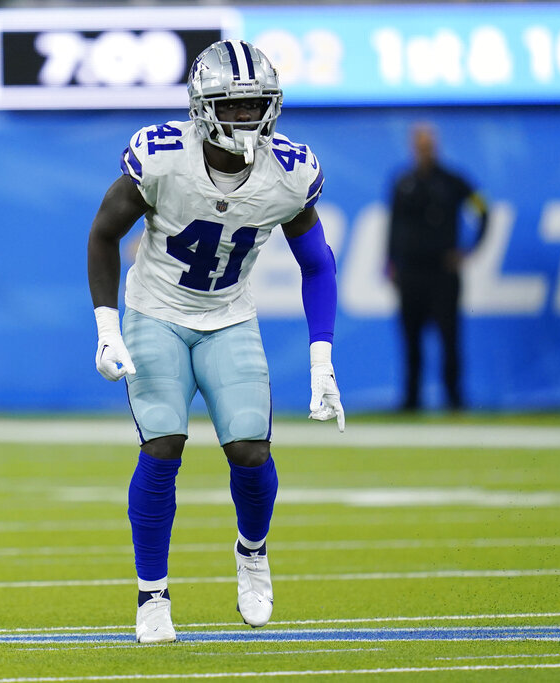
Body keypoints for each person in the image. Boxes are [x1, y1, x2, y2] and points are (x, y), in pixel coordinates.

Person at [87, 39, 345, 644]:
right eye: (231, 106)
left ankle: (252, 550)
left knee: (251, 451)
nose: (244, 118)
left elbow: (318, 264)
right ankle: (153, 595)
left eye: (256, 104)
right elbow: (102, 236)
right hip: (156, 311)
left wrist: (321, 356)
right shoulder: (162, 156)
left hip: (229, 315)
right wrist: (105, 326)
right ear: (203, 108)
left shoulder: (287, 170)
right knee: (163, 445)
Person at [385, 123, 489, 412]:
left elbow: (483, 208)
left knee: (449, 337)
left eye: (428, 146)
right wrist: (390, 262)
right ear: (412, 148)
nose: (424, 152)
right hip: (410, 273)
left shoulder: (453, 181)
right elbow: (393, 225)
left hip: (443, 273)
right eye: (420, 147)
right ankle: (411, 400)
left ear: (436, 147)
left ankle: (454, 399)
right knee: (411, 340)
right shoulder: (402, 182)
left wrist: (470, 249)